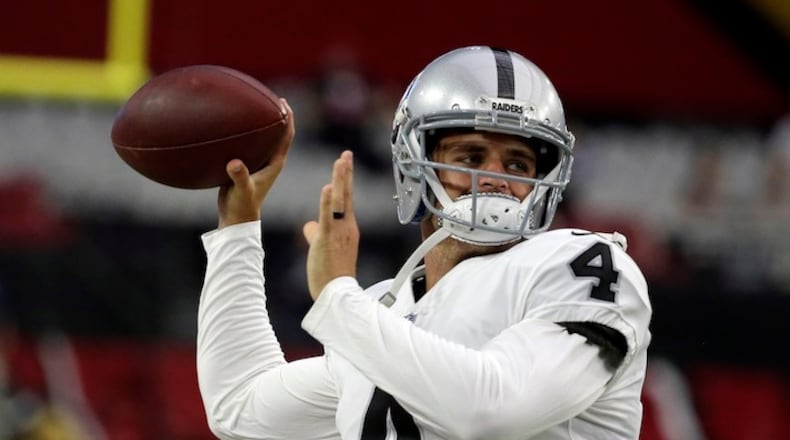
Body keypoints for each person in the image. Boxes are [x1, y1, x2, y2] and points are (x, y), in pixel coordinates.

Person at [197, 46, 652, 439]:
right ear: (414, 167)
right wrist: (237, 230)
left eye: (517, 164)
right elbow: (239, 407)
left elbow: (490, 413)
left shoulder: (577, 264)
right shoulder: (385, 311)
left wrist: (338, 297)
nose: (494, 178)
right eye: (471, 156)